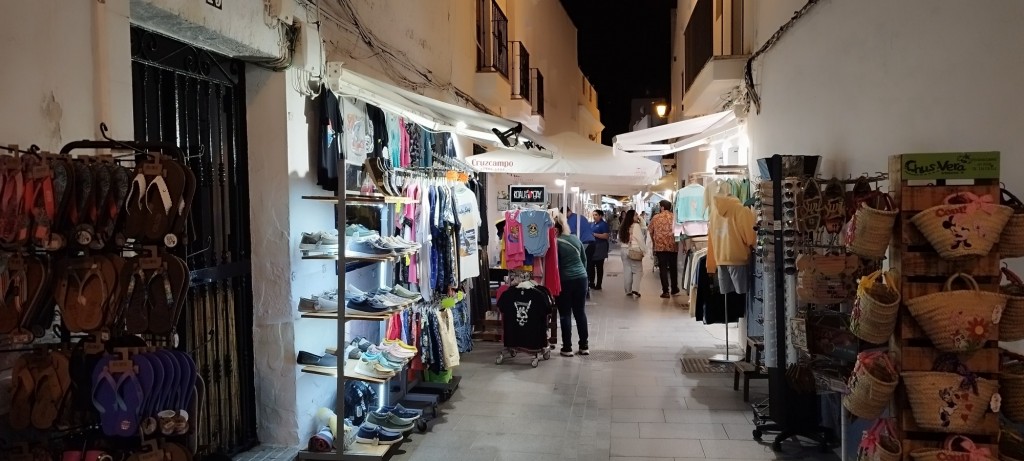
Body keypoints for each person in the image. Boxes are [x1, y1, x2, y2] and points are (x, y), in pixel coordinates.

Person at [554, 219, 589, 356]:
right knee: (580, 312)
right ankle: (584, 346)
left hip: (565, 280)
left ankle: (567, 348)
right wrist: (582, 275)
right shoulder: (574, 238)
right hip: (582, 278)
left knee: (565, 314)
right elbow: (584, 259)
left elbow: (555, 266)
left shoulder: (556, 243)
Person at [649, 200, 679, 298]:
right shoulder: (674, 217)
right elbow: (679, 231)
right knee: (673, 268)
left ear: (662, 207)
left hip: (660, 247)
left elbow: (650, 231)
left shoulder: (656, 217)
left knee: (663, 269)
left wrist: (654, 243)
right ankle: (674, 288)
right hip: (673, 246)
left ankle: (665, 291)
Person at [618, 209, 646, 297]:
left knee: (627, 270)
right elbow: (640, 240)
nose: (638, 216)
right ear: (631, 217)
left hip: (623, 250)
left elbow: (620, 238)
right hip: (634, 250)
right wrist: (644, 251)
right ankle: (635, 289)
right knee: (638, 271)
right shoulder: (636, 226)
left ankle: (628, 290)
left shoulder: (623, 226)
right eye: (636, 215)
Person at [587, 209, 610, 290]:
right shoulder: (592, 224)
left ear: (600, 216)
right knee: (591, 266)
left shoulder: (603, 225)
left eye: (596, 215)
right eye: (593, 215)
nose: (594, 216)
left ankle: (599, 284)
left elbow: (606, 236)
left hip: (600, 247)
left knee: (599, 267)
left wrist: (594, 234)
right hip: (592, 247)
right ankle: (591, 282)